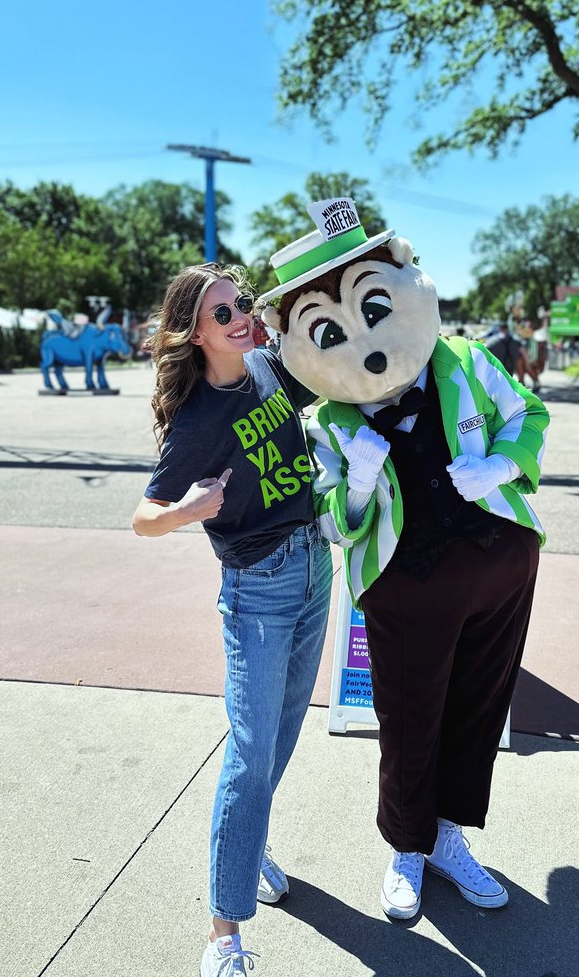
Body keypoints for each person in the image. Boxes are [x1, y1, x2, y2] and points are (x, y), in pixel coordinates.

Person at [258, 201, 548, 923]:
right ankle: (406, 848)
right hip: (406, 587)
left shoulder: (471, 364)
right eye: (327, 329)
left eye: (374, 305)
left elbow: (529, 417)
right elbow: (329, 517)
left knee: (479, 708)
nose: (367, 347)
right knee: (410, 717)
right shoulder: (326, 423)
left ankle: (449, 838)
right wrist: (355, 483)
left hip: (501, 568)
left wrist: (505, 467)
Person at [132, 263, 332, 977]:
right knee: (250, 755)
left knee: (280, 734)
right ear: (194, 333)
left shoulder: (270, 368)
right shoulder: (198, 420)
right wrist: (186, 512)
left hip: (315, 566)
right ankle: (223, 937)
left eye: (242, 304)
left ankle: (247, 853)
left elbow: (338, 369)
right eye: (223, 314)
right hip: (261, 588)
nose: (240, 318)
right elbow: (143, 518)